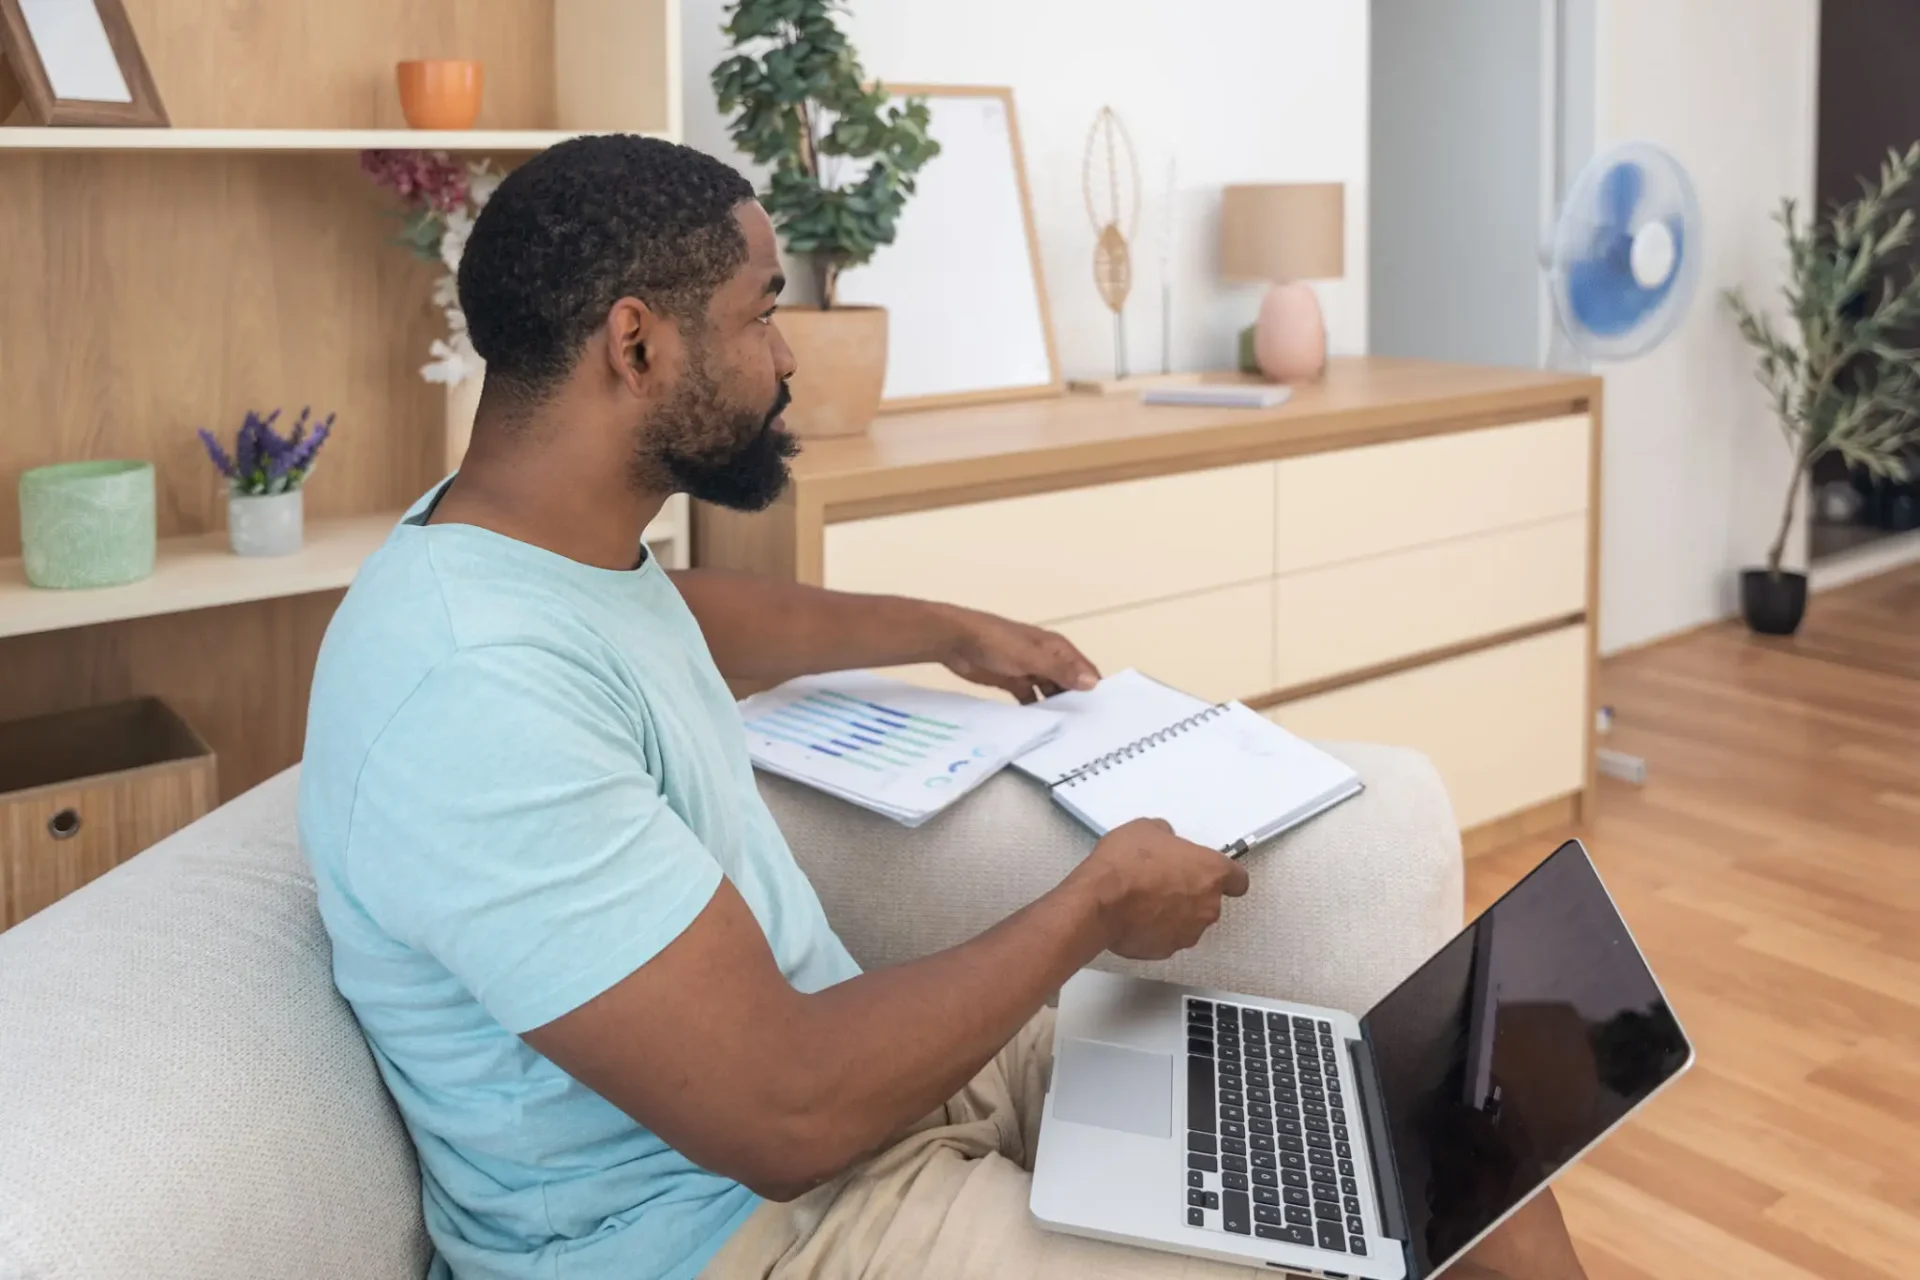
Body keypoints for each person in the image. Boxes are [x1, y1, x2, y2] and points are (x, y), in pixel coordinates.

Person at [297, 135, 1589, 1280]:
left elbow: (687, 613)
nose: (789, 355)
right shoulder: (468, 691)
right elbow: (779, 1119)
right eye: (761, 316)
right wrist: (1091, 902)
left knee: (1433, 1137)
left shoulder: (537, 557)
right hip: (727, 1228)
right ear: (637, 344)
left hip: (883, 1099)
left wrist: (952, 630)